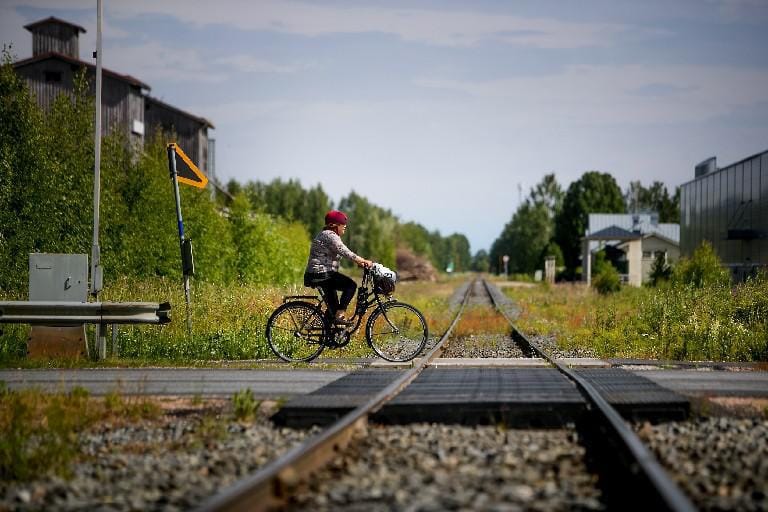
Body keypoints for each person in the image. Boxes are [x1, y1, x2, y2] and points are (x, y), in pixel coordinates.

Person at [304, 210, 373, 325]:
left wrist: (358, 262)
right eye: (342, 224)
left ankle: (328, 334)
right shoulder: (329, 235)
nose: (345, 227)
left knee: (333, 310)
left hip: (320, 274)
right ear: (333, 225)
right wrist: (362, 260)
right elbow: (344, 251)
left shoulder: (327, 235)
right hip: (321, 274)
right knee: (350, 285)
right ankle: (340, 315)